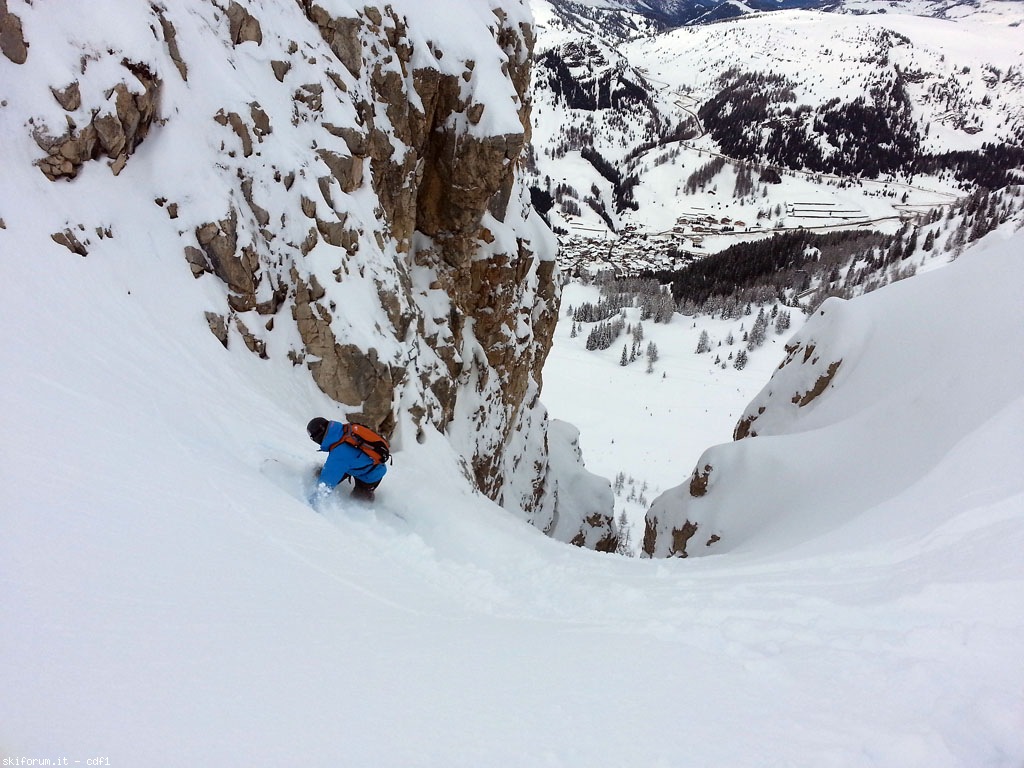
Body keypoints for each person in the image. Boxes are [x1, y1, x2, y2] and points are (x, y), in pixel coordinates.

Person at [306, 417, 388, 501]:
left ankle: (369, 504)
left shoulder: (339, 453)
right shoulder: (343, 430)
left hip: (371, 473)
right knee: (327, 471)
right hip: (357, 463)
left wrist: (313, 501)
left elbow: (326, 483)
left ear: (318, 437)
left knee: (358, 500)